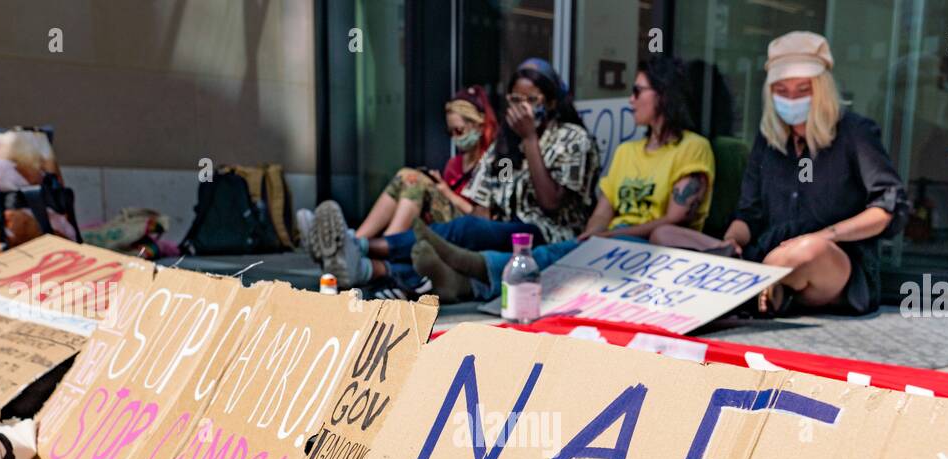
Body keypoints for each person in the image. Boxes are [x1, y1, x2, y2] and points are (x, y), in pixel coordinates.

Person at [411, 55, 715, 304]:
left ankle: (468, 265)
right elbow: (603, 210)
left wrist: (604, 237)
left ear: (663, 94)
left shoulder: (692, 147)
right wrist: (591, 235)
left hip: (652, 252)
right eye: (514, 98)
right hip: (612, 243)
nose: (630, 100)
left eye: (637, 91)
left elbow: (675, 219)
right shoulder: (627, 151)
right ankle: (460, 282)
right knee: (565, 257)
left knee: (549, 255)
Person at [650, 31, 908, 315]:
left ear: (821, 88)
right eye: (781, 90)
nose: (791, 98)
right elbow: (749, 213)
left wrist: (828, 235)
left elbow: (887, 208)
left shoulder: (855, 132)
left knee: (806, 251)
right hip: (762, 256)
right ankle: (759, 288)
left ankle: (752, 288)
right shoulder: (768, 139)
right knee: (665, 236)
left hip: (831, 263)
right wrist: (731, 242)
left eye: (802, 89)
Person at [308, 59, 600, 296]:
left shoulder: (572, 139)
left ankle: (359, 246)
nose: (521, 107)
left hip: (545, 236)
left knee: (466, 229)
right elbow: (486, 207)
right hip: (505, 231)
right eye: (515, 99)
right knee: (459, 241)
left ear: (549, 102)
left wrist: (530, 140)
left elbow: (551, 203)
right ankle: (367, 269)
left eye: (531, 99)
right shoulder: (505, 145)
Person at [298, 86, 496, 249]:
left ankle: (368, 247)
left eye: (459, 130)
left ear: (478, 125)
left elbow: (487, 220)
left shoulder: (493, 161)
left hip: (468, 230)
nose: (454, 137)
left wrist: (446, 192)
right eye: (450, 131)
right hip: (445, 223)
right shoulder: (454, 163)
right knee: (407, 177)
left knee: (414, 180)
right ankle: (355, 242)